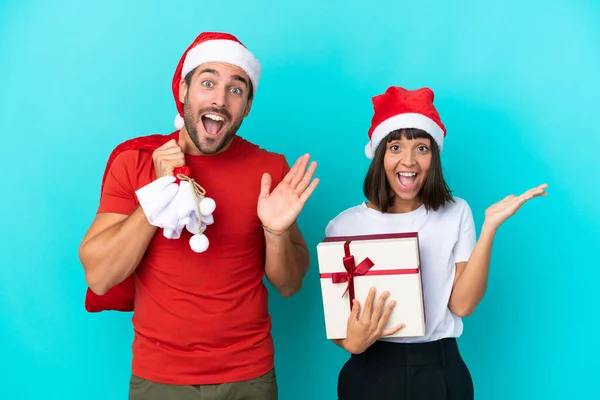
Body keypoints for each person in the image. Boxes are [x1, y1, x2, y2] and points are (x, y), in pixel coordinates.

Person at [78, 31, 319, 400]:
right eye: (208, 83)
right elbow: (100, 277)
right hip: (158, 377)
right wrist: (157, 195)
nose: (220, 100)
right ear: (183, 91)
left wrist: (275, 232)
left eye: (236, 89)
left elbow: (288, 284)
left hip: (249, 376)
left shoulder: (270, 171)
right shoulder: (136, 163)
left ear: (247, 106)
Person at [324, 86, 547, 399]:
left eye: (422, 148)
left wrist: (489, 229)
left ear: (434, 156)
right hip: (369, 368)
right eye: (396, 147)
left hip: (440, 367)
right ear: (380, 156)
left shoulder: (456, 213)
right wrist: (350, 342)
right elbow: (338, 321)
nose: (409, 161)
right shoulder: (343, 225)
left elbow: (462, 305)